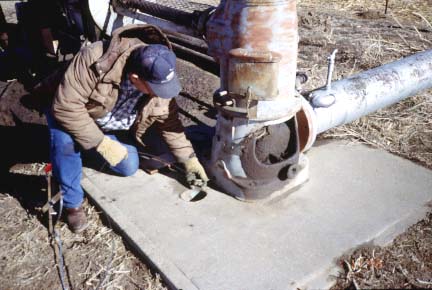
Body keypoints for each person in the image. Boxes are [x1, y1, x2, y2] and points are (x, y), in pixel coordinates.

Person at [40, 24, 208, 233]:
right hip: (72, 111)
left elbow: (170, 122)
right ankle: (72, 203)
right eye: (155, 89)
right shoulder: (94, 59)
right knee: (65, 144)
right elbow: (65, 107)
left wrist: (188, 159)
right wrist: (101, 143)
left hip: (108, 122)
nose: (160, 94)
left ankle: (86, 149)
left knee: (128, 167)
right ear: (135, 79)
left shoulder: (159, 70)